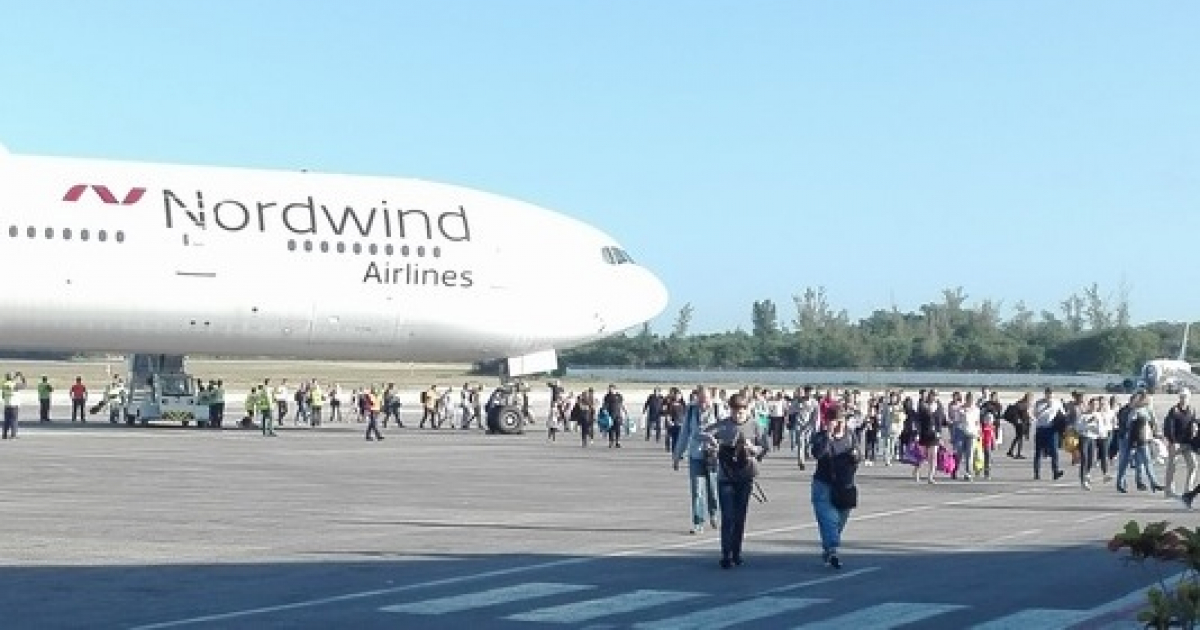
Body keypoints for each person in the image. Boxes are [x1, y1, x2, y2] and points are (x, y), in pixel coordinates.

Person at [704, 393, 764, 569]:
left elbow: (764, 446)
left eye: (742, 410)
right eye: (735, 410)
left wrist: (753, 449)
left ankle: (736, 551)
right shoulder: (723, 425)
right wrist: (711, 443)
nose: (738, 414)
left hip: (745, 476)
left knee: (739, 517)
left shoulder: (754, 426)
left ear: (748, 409)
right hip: (726, 476)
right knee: (728, 516)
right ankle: (726, 553)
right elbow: (702, 434)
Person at [810, 407, 860, 569]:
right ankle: (832, 549)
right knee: (828, 519)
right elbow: (818, 453)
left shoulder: (851, 435)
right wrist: (828, 436)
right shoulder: (820, 437)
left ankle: (829, 547)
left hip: (844, 485)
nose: (839, 425)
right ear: (827, 422)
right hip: (824, 483)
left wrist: (855, 455)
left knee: (840, 520)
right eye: (835, 421)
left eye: (842, 421)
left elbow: (859, 455)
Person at [673, 386, 720, 535]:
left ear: (710, 399)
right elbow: (684, 433)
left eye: (705, 400)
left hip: (712, 456)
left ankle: (713, 513)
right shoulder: (692, 411)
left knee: (712, 489)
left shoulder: (718, 410)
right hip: (696, 456)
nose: (703, 404)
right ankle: (698, 522)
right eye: (700, 400)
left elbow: (727, 430)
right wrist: (677, 455)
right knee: (697, 490)